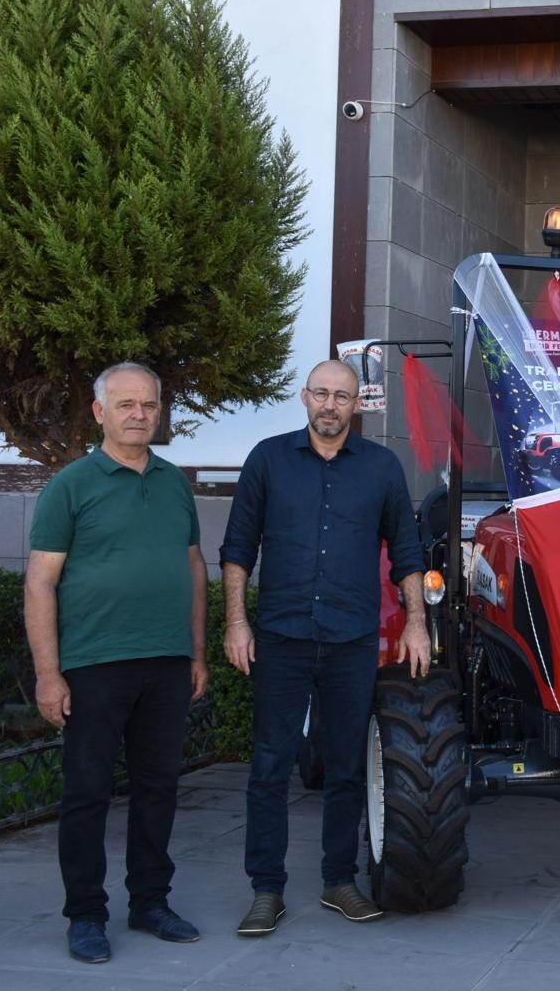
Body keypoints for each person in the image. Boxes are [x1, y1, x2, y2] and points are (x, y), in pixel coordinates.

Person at [220, 359, 430, 936]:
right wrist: (237, 623)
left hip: (351, 640)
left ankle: (339, 881)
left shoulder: (382, 468)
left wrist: (416, 624)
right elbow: (238, 548)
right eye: (321, 394)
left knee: (344, 769)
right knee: (268, 768)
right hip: (282, 639)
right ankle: (266, 891)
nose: (330, 405)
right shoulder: (268, 459)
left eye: (341, 396)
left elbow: (408, 553)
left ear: (356, 404)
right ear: (303, 397)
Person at [25, 362, 209, 963]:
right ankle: (85, 914)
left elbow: (193, 568)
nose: (139, 414)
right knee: (88, 793)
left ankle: (150, 902)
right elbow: (39, 583)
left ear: (160, 412)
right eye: (126, 404)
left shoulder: (175, 482)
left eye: (149, 405)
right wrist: (49, 674)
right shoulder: (71, 485)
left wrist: (197, 652)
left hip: (165, 663)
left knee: (158, 787)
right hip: (94, 664)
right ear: (100, 412)